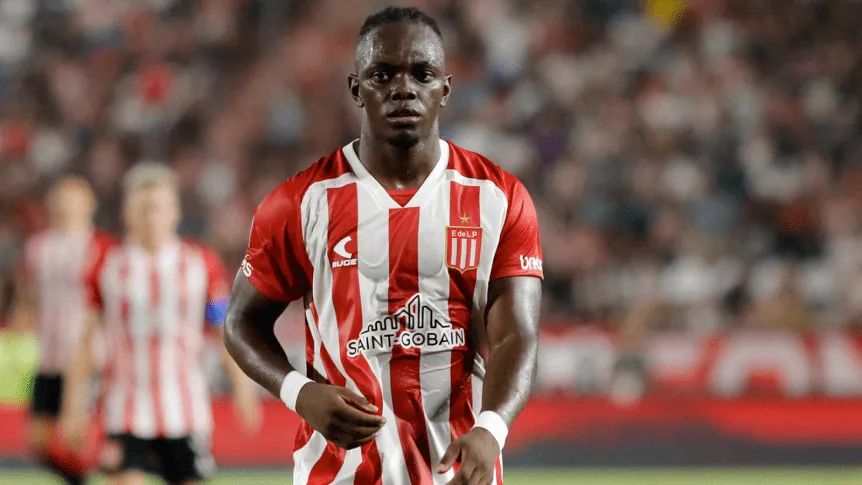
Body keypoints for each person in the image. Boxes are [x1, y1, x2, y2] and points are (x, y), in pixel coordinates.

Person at [224, 6, 543, 485]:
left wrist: (491, 429)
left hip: (456, 471)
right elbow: (240, 322)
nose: (403, 88)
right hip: (338, 473)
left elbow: (517, 334)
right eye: (383, 74)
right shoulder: (300, 202)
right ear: (357, 89)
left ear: (445, 89)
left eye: (422, 74)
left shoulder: (498, 198)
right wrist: (299, 392)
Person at [59, 163, 261, 485]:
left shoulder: (201, 264)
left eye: (158, 208)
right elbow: (85, 339)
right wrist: (73, 405)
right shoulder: (106, 264)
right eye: (143, 208)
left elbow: (223, 329)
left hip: (184, 407)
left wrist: (242, 388)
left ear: (174, 213)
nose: (150, 217)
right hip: (123, 407)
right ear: (127, 213)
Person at [10, 176, 114, 485]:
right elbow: (28, 295)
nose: (65, 206)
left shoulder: (100, 247)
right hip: (49, 355)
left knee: (77, 432)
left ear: (89, 205)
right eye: (60, 200)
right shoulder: (37, 247)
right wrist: (21, 324)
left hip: (86, 354)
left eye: (72, 200)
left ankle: (119, 469)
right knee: (39, 439)